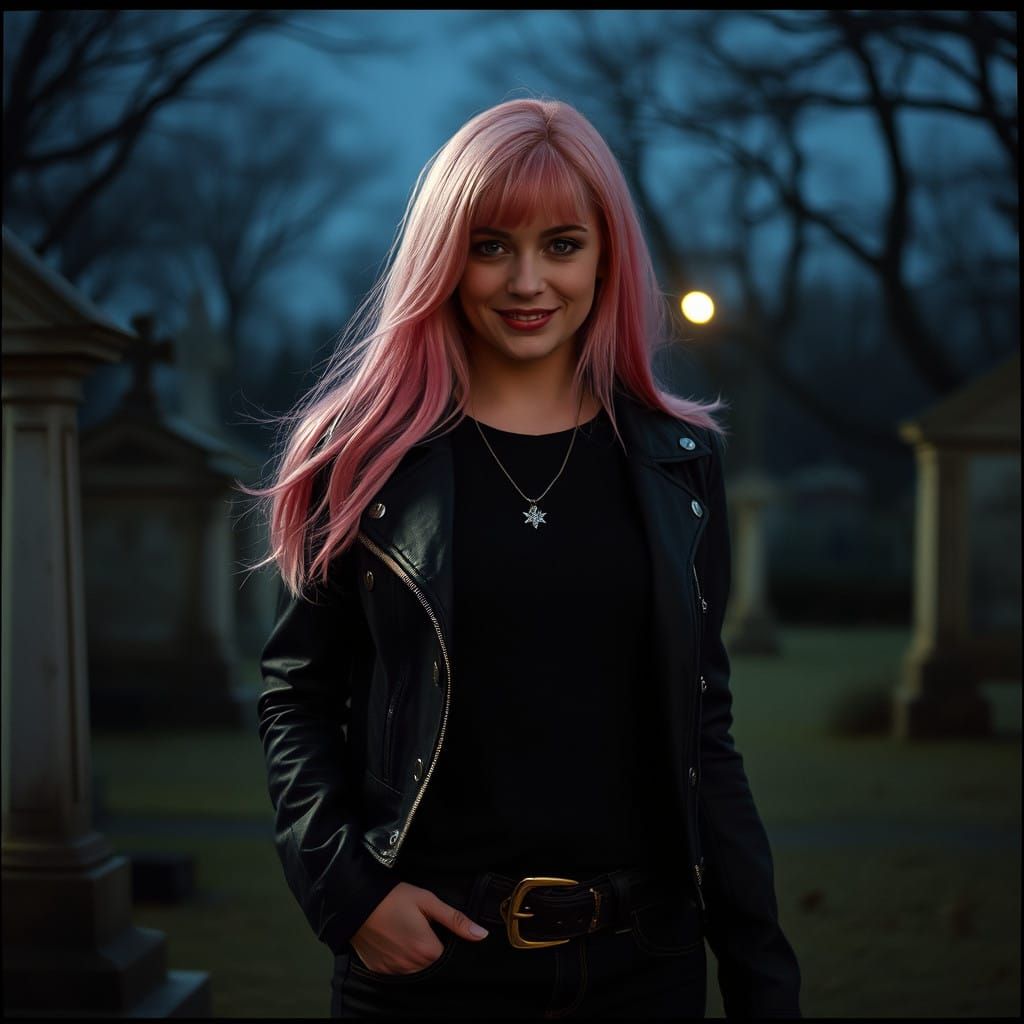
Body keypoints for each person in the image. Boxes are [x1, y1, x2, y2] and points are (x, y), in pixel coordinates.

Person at [251, 97, 802, 1019]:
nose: (527, 281)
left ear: (607, 256)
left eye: (563, 244)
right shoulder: (360, 457)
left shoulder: (678, 462)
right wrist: (350, 894)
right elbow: (295, 697)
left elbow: (705, 727)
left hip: (644, 963)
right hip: (427, 970)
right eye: (491, 245)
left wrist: (761, 978)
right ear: (444, 254)